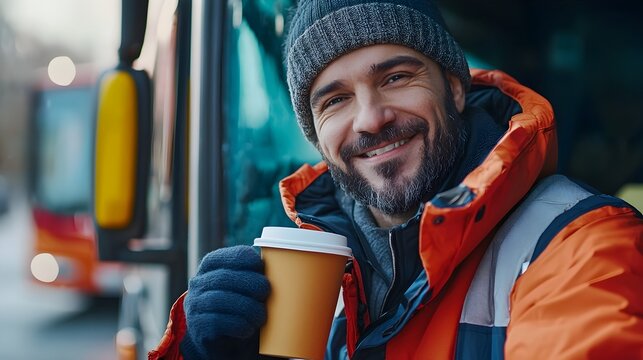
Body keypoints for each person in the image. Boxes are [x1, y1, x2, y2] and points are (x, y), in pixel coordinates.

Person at [150, 1, 643, 359]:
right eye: (334, 100)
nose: (370, 119)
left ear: (453, 88)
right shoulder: (319, 275)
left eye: (395, 78)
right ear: (317, 137)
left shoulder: (583, 249)